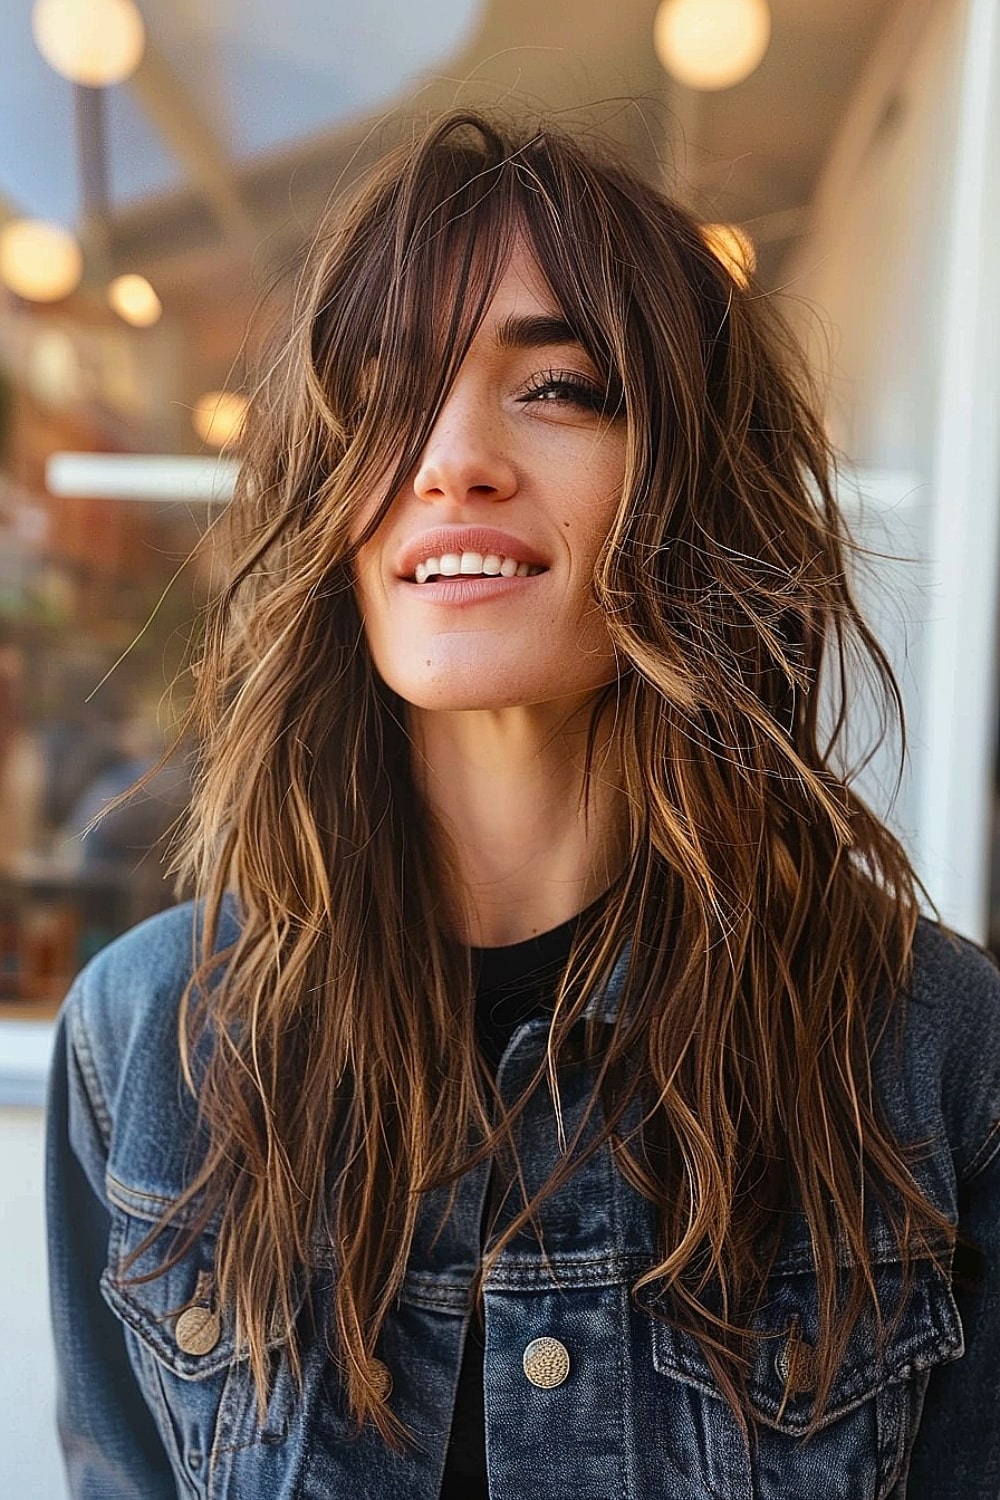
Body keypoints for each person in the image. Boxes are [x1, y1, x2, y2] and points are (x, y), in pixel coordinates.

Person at [46, 110, 1000, 1500]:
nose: (450, 458)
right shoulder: (143, 1047)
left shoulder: (934, 1053)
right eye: (383, 395)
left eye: (554, 387)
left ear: (688, 479)